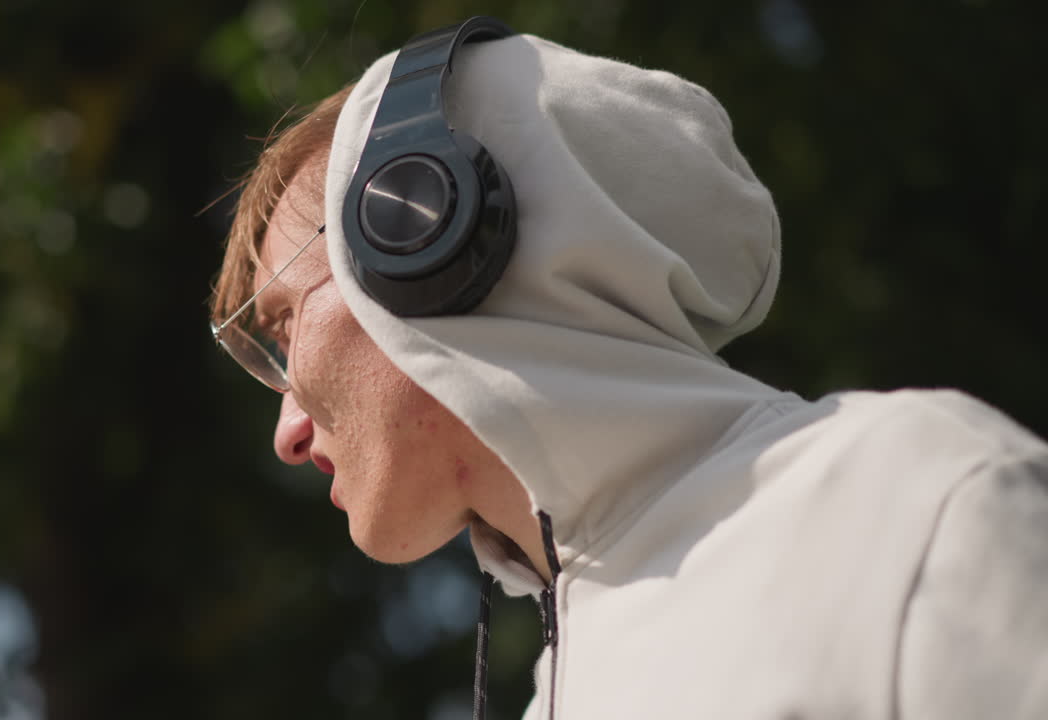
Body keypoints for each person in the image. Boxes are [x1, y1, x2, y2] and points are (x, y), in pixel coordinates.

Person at [209, 18, 1048, 720]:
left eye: (282, 325)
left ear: (425, 233)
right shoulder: (555, 691)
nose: (287, 434)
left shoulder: (911, 501)